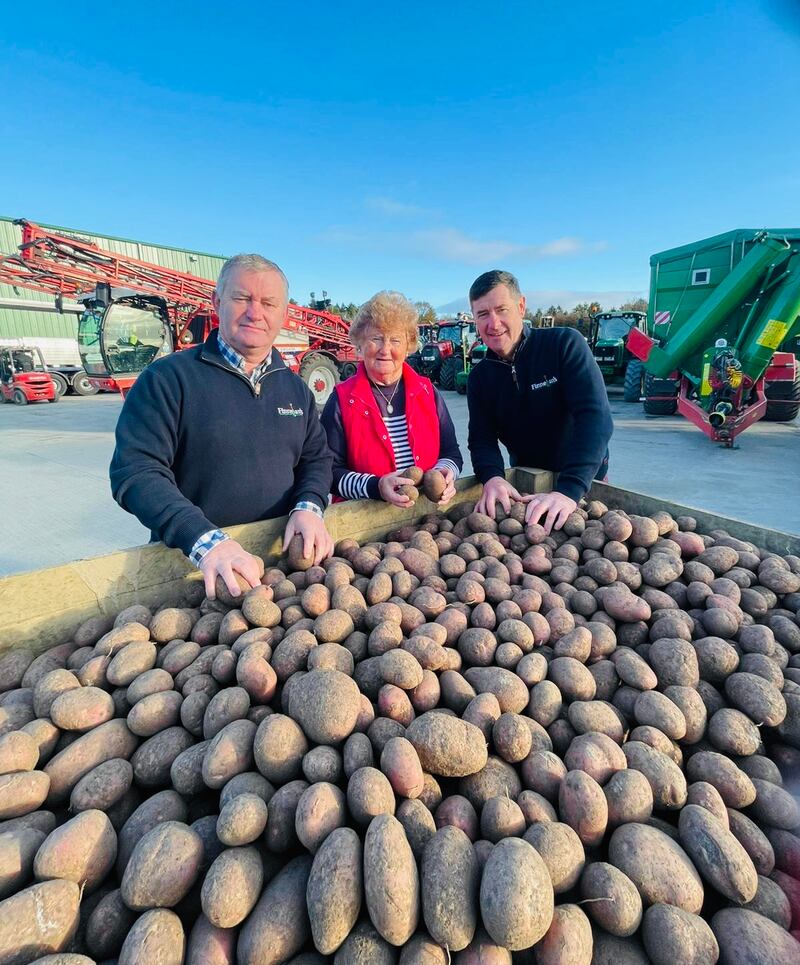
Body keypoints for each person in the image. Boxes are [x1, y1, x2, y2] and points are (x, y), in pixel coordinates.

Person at [110, 253, 334, 598]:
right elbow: (136, 472)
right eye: (242, 298)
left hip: (278, 565)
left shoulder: (296, 389)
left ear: (283, 314)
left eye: (269, 303)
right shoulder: (167, 379)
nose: (255, 313)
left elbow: (316, 459)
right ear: (217, 302)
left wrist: (309, 506)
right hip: (194, 568)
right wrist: (205, 541)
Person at [466, 269, 613, 532]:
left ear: (521, 306)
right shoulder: (479, 378)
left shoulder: (564, 344)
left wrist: (569, 490)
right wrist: (492, 477)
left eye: (501, 310)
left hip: (582, 480)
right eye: (483, 314)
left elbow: (596, 419)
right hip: (527, 485)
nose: (494, 323)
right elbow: (481, 439)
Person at [321, 291, 462, 505]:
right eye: (376, 338)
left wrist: (447, 472)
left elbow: (451, 452)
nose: (385, 349)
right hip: (362, 520)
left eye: (395, 340)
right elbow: (328, 472)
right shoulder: (341, 399)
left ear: (408, 347)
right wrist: (375, 486)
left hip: (424, 514)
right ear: (360, 344)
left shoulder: (427, 391)